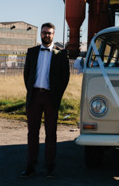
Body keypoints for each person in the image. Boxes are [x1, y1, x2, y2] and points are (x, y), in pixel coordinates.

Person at [21, 23, 70, 178]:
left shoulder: (61, 54)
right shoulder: (32, 52)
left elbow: (65, 78)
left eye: (49, 33)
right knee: (32, 133)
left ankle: (50, 166)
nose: (46, 35)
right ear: (40, 34)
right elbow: (27, 74)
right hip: (34, 96)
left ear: (53, 35)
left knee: (51, 134)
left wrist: (57, 96)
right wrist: (30, 91)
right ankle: (31, 166)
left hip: (51, 98)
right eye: (44, 33)